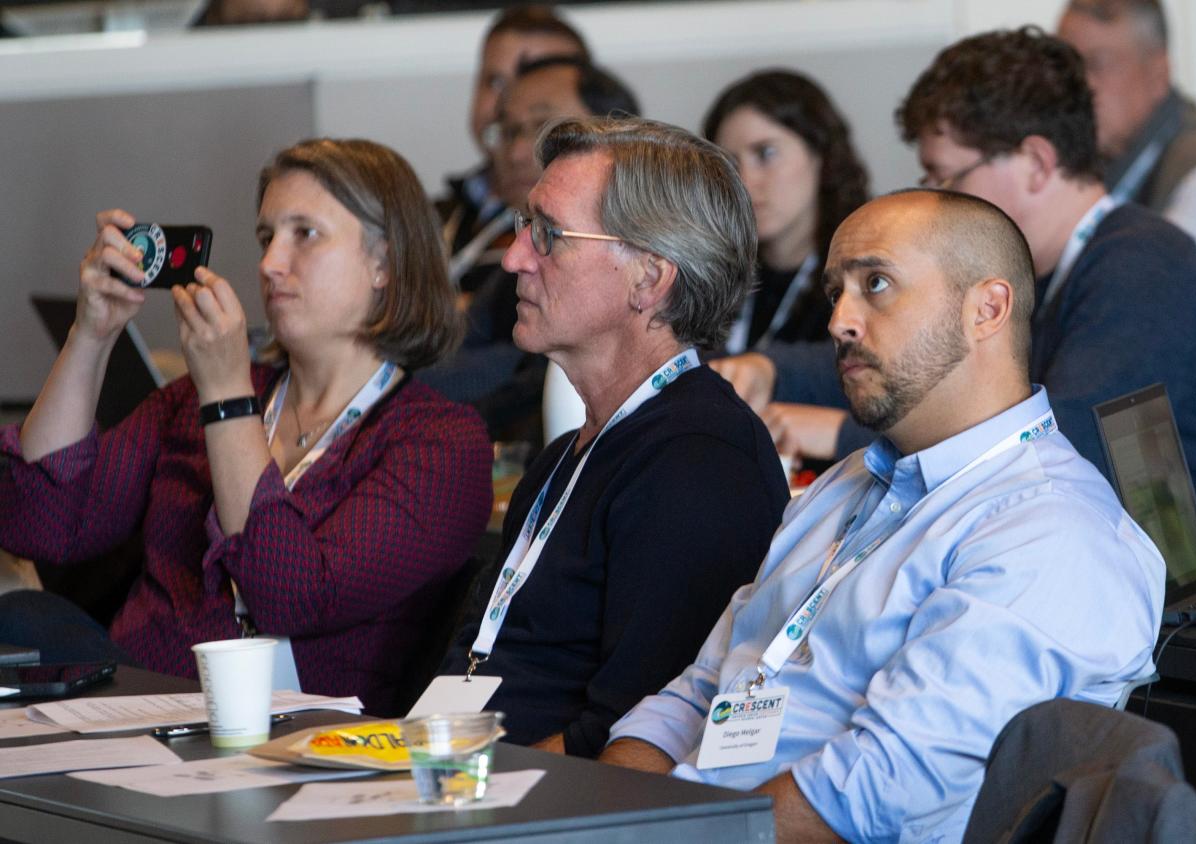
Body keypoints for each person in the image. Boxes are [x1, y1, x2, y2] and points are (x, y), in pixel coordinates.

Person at [602, 189, 1165, 843]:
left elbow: (874, 790)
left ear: (987, 308)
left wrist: (653, 835)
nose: (840, 319)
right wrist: (608, 818)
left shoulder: (1050, 533)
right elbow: (702, 689)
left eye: (876, 284)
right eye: (836, 291)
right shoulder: (843, 486)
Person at [0, 138, 493, 716]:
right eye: (267, 238)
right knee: (25, 618)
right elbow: (36, 525)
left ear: (384, 262)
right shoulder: (193, 399)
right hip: (137, 711)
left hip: (297, 743)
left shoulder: (441, 444)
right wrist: (91, 335)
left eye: (304, 234)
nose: (269, 264)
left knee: (30, 620)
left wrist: (228, 399)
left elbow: (291, 598)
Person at [714, 27, 1196, 534]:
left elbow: (1057, 445)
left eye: (946, 178)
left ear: (1036, 163)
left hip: (1160, 595)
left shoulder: (1146, 266)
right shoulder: (1051, 267)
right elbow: (917, 357)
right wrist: (770, 369)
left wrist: (836, 434)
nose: (937, 199)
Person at [436, 116, 789, 759]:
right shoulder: (567, 457)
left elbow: (634, 744)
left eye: (549, 235)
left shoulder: (700, 465)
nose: (516, 258)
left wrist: (439, 794)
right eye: (523, 228)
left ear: (649, 279)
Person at [419, 56, 640, 449]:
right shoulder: (522, 258)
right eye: (508, 131)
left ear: (616, 131)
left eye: (542, 127)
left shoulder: (640, 257)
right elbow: (454, 352)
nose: (518, 151)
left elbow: (528, 380)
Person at [1058, 0, 1196, 288]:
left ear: (1158, 73)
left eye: (1097, 64)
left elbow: (1146, 290)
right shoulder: (1083, 154)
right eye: (1064, 67)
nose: (1074, 86)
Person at [703, 69, 868, 354]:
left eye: (766, 154)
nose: (744, 181)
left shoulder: (867, 268)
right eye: (729, 163)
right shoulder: (710, 276)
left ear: (821, 155)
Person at [439, 4, 590, 293]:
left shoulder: (591, 235)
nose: (508, 102)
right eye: (495, 82)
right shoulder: (432, 217)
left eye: (537, 78)